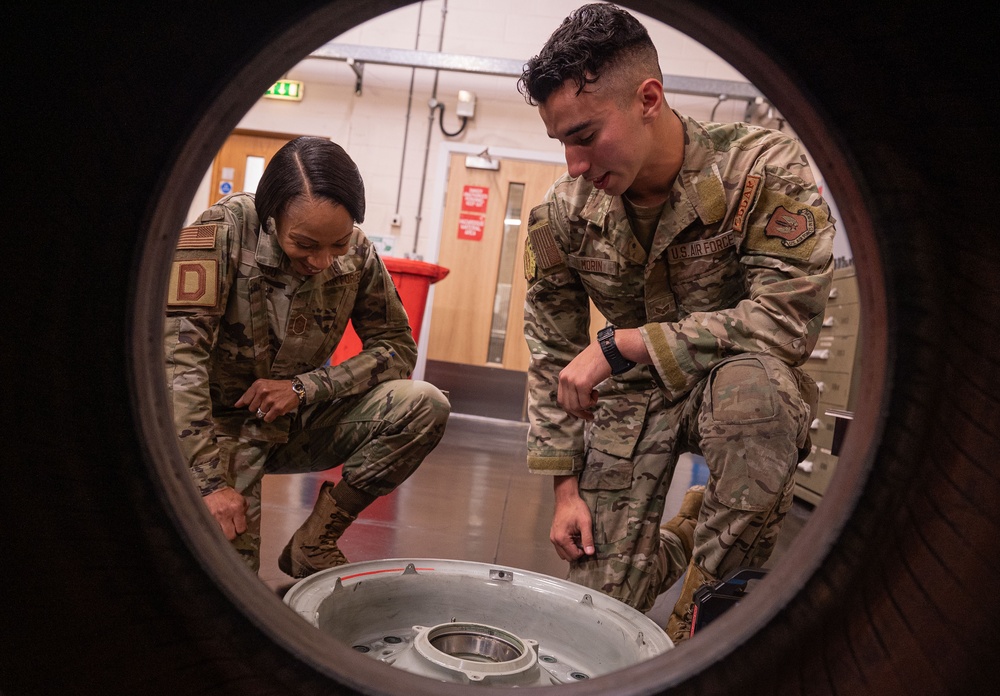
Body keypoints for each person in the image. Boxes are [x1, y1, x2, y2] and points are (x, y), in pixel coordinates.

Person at [517, 3, 834, 643]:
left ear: (649, 98)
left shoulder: (762, 168)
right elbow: (551, 351)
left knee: (759, 401)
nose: (575, 164)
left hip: (736, 385)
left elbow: (787, 318)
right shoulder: (562, 215)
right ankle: (684, 535)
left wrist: (628, 342)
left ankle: (704, 621)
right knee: (591, 623)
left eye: (585, 135)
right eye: (562, 144)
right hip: (632, 409)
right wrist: (564, 493)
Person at [164, 136, 451, 578]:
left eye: (335, 244)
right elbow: (179, 364)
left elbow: (396, 346)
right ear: (270, 216)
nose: (321, 260)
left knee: (423, 404)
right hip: (216, 427)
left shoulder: (356, 250)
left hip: (292, 421)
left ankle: (315, 541)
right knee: (228, 580)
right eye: (305, 244)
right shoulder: (220, 232)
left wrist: (306, 387)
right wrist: (207, 484)